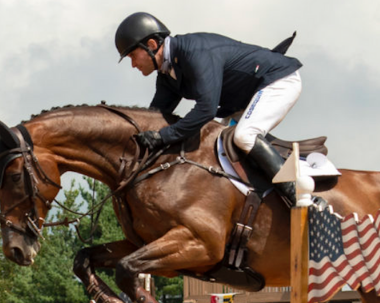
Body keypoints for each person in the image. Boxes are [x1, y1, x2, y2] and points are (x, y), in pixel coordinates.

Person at [116, 12, 308, 205]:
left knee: (244, 136)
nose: (133, 64)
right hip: (246, 98)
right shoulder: (167, 75)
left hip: (278, 80)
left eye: (132, 55)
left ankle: (299, 195)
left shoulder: (194, 53)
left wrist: (163, 136)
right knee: (217, 148)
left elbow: (206, 109)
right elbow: (154, 118)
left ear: (151, 45)